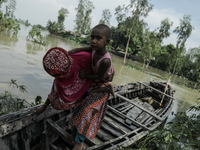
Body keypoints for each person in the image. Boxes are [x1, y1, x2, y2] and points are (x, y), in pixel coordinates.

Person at [67, 24, 115, 150]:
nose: (94, 41)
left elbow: (99, 77)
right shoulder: (95, 49)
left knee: (88, 112)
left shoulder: (105, 61)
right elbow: (87, 48)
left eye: (98, 38)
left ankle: (79, 141)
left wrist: (85, 76)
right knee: (78, 104)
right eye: (92, 37)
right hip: (93, 83)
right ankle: (74, 129)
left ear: (107, 42)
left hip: (100, 85)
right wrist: (73, 51)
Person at [34, 46, 115, 115]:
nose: (71, 61)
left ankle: (106, 88)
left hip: (94, 77)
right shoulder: (62, 72)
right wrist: (44, 106)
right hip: (87, 77)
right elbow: (55, 90)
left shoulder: (82, 57)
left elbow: (102, 60)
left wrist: (111, 71)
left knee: (88, 94)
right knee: (82, 97)